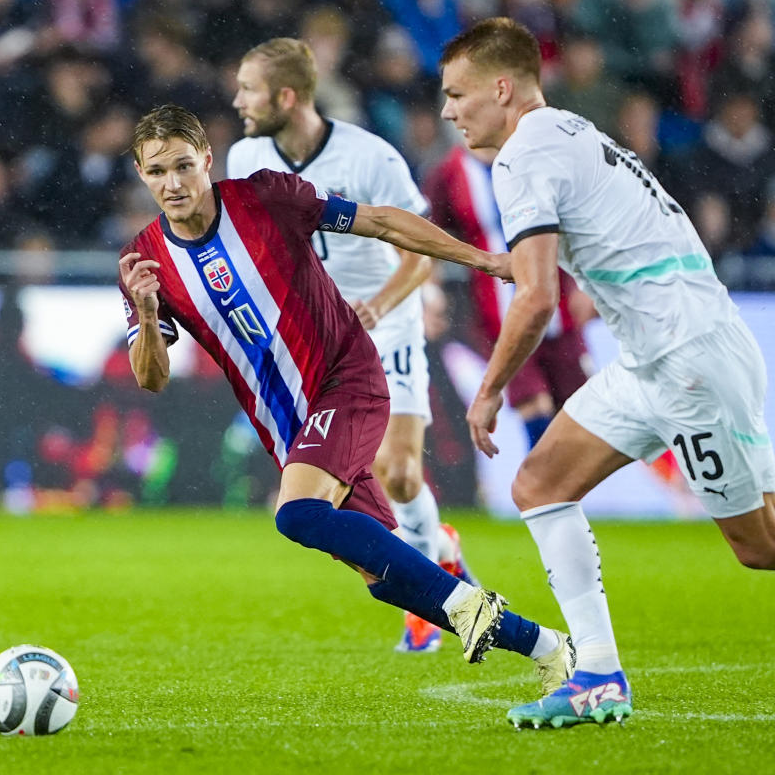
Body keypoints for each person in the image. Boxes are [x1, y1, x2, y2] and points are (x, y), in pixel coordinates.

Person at [437, 18, 775, 729]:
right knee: (540, 484)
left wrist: (489, 392)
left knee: (762, 543)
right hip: (660, 355)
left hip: (689, 361)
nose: (449, 110)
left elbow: (538, 298)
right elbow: (576, 256)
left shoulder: (519, 158)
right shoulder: (570, 132)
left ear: (501, 87)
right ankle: (597, 674)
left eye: (458, 93)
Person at [117, 103, 576, 696]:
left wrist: (486, 260)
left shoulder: (267, 199)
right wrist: (149, 314)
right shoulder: (144, 264)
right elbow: (151, 378)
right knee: (387, 577)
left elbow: (383, 222)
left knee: (297, 514)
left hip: (347, 379)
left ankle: (471, 608)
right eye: (156, 172)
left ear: (207, 160)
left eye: (183, 165)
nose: (172, 184)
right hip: (288, 430)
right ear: (139, 174)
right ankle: (548, 647)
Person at [226, 38, 476, 654]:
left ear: (287, 96)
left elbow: (419, 246)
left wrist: (383, 305)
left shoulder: (370, 156)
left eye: (248, 90)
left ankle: (430, 580)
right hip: (316, 338)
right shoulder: (245, 156)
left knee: (398, 470)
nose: (238, 101)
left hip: (383, 320)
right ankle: (436, 559)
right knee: (350, 488)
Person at [424, 142, 595, 450]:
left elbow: (585, 221)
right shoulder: (448, 174)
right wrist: (430, 294)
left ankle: (554, 491)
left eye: (458, 97)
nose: (453, 111)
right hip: (498, 319)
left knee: (576, 416)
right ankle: (542, 493)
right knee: (534, 403)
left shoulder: (541, 155)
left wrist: (589, 282)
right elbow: (426, 236)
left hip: (561, 314)